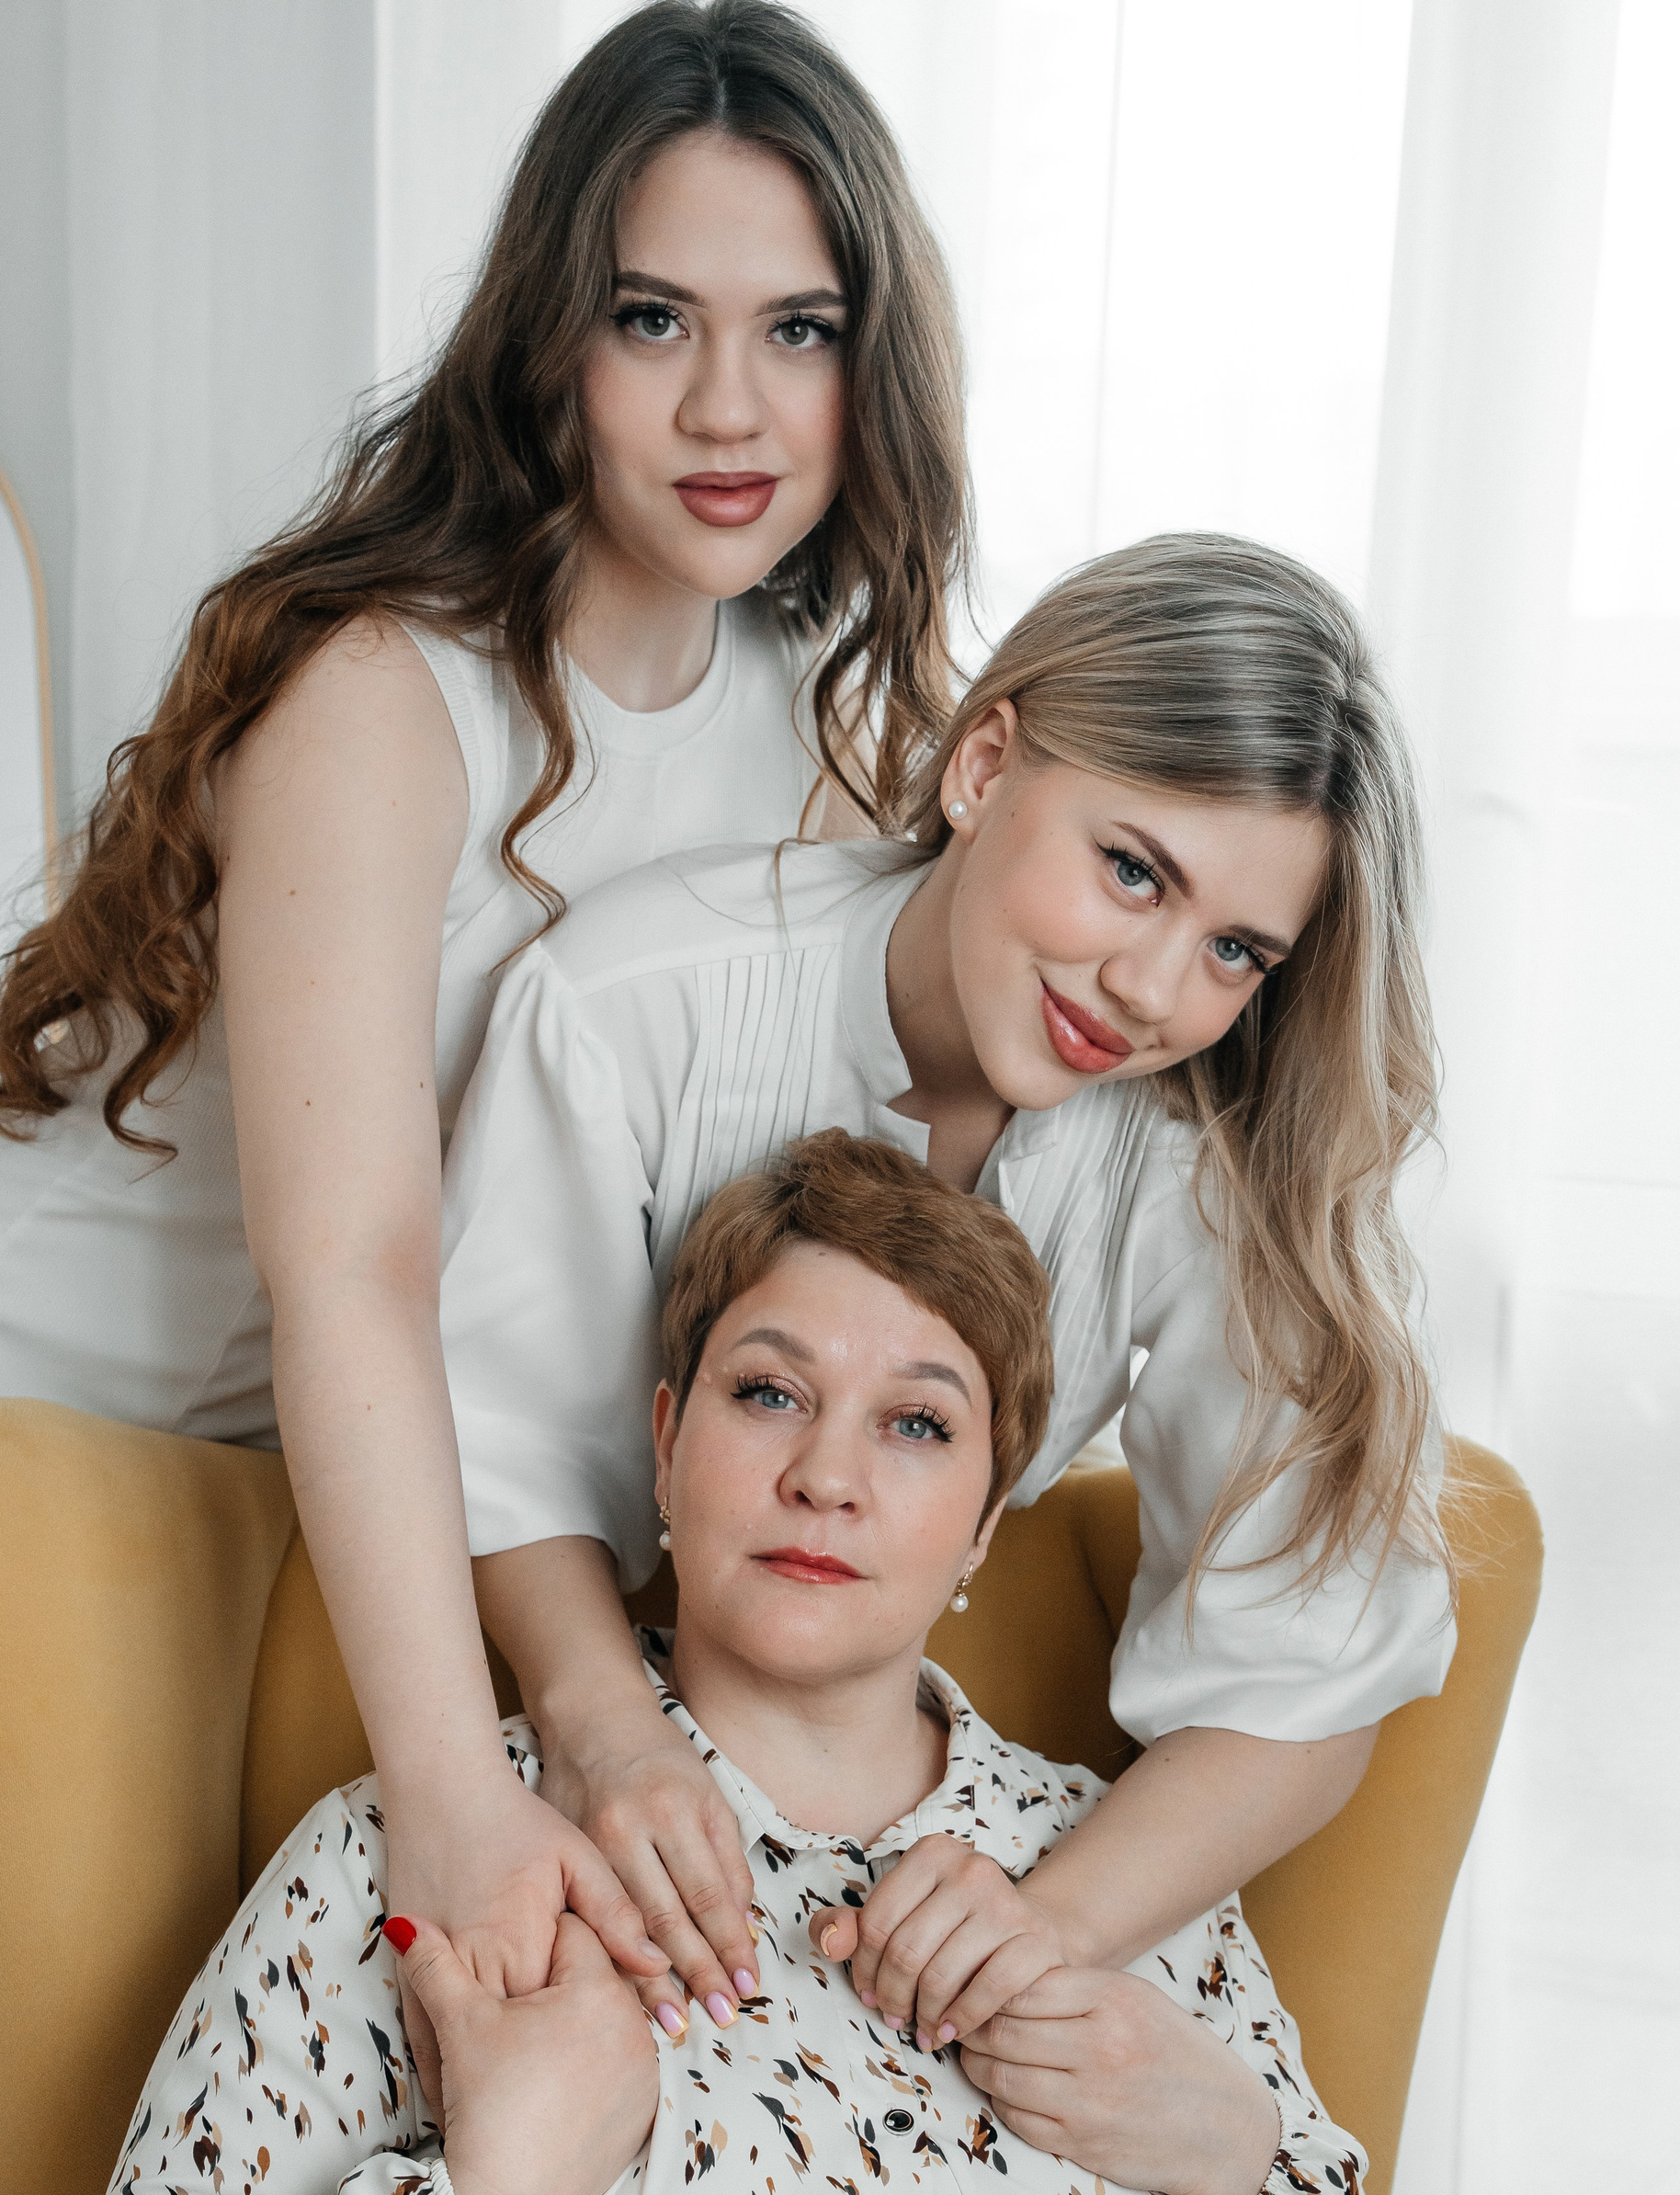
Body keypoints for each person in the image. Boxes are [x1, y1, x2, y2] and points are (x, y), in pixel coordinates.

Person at [25, 1133, 1430, 2195]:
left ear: (987, 1518)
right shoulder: (436, 1843)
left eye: (917, 1424)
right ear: (663, 1444)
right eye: (768, 1393)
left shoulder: (1140, 1888)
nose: (826, 1476)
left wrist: (1223, 2151)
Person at [0, 0, 966, 1996]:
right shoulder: (385, 696)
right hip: (64, 1412)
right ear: (550, 342)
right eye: (652, 318)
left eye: (799, 330)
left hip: (331, 1478)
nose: (730, 408)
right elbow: (356, 1267)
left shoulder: (828, 742)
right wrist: (457, 1783)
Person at [437, 532, 1456, 2043]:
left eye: (1237, 950)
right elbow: (497, 1446)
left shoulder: (1215, 1156)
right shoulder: (631, 1000)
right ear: (984, 765)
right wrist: (609, 1740)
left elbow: (1311, 1656)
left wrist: (1041, 1930)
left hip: (922, 1794)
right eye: (1131, 871)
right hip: (560, 1724)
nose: (1151, 992)